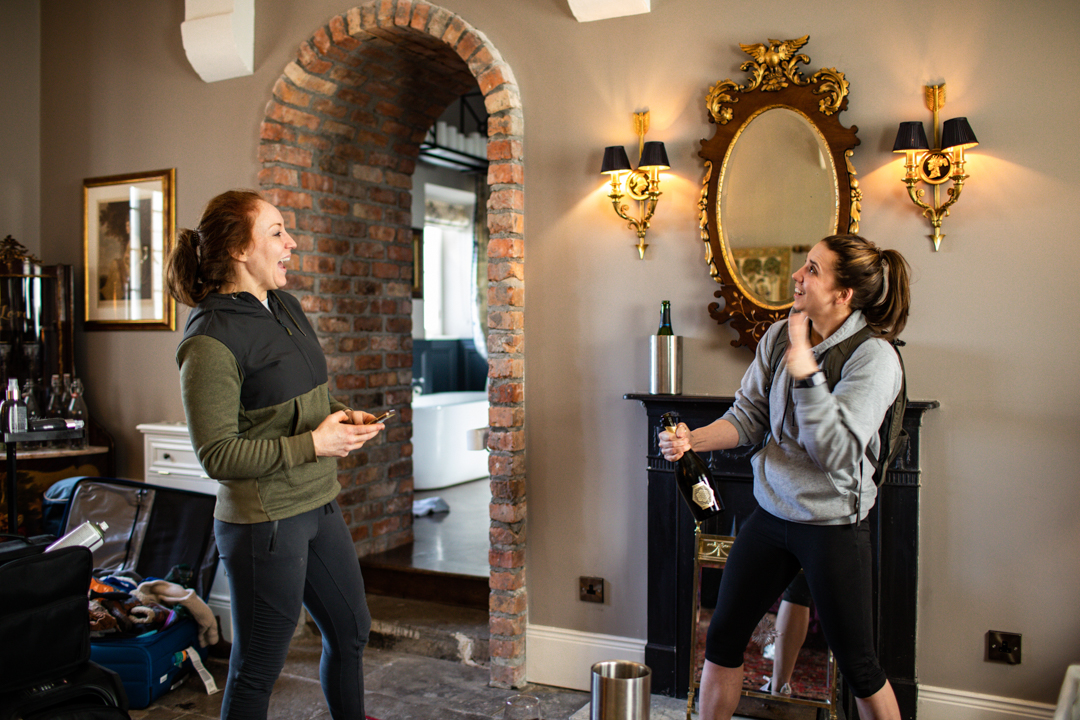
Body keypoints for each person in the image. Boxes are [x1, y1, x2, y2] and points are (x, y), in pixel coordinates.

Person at [660, 234, 910, 720]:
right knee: (722, 639)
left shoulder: (874, 357)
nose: (797, 275)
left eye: (813, 269)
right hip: (772, 514)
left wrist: (807, 370)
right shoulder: (780, 336)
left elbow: (833, 451)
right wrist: (693, 439)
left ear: (843, 294)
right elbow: (749, 415)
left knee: (859, 667)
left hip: (832, 525)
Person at [166, 190, 383, 720]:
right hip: (264, 521)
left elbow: (306, 394)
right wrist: (314, 444)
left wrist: (342, 416)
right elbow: (217, 455)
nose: (292, 243)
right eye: (277, 232)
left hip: (317, 500)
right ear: (240, 249)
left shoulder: (285, 305)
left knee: (351, 630)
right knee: (258, 668)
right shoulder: (209, 339)